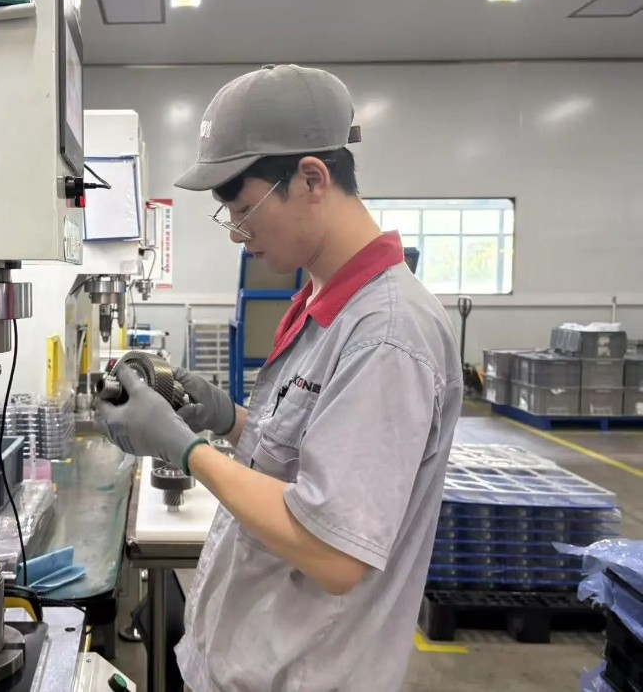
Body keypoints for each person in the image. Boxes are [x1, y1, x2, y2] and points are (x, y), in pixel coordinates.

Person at [95, 65, 463, 691]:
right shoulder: (324, 301)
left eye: (245, 209)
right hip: (253, 658)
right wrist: (226, 419)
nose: (238, 234)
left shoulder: (388, 335)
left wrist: (184, 449)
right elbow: (308, 459)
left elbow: (334, 553)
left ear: (312, 179)